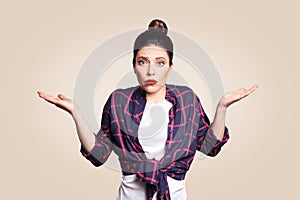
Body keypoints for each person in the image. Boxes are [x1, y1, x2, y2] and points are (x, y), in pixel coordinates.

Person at [37, 19, 259, 200]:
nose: (151, 71)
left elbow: (209, 147)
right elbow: (98, 154)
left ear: (171, 67)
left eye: (160, 63)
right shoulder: (118, 101)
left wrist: (222, 108)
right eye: (143, 62)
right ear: (134, 66)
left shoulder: (186, 99)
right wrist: (75, 112)